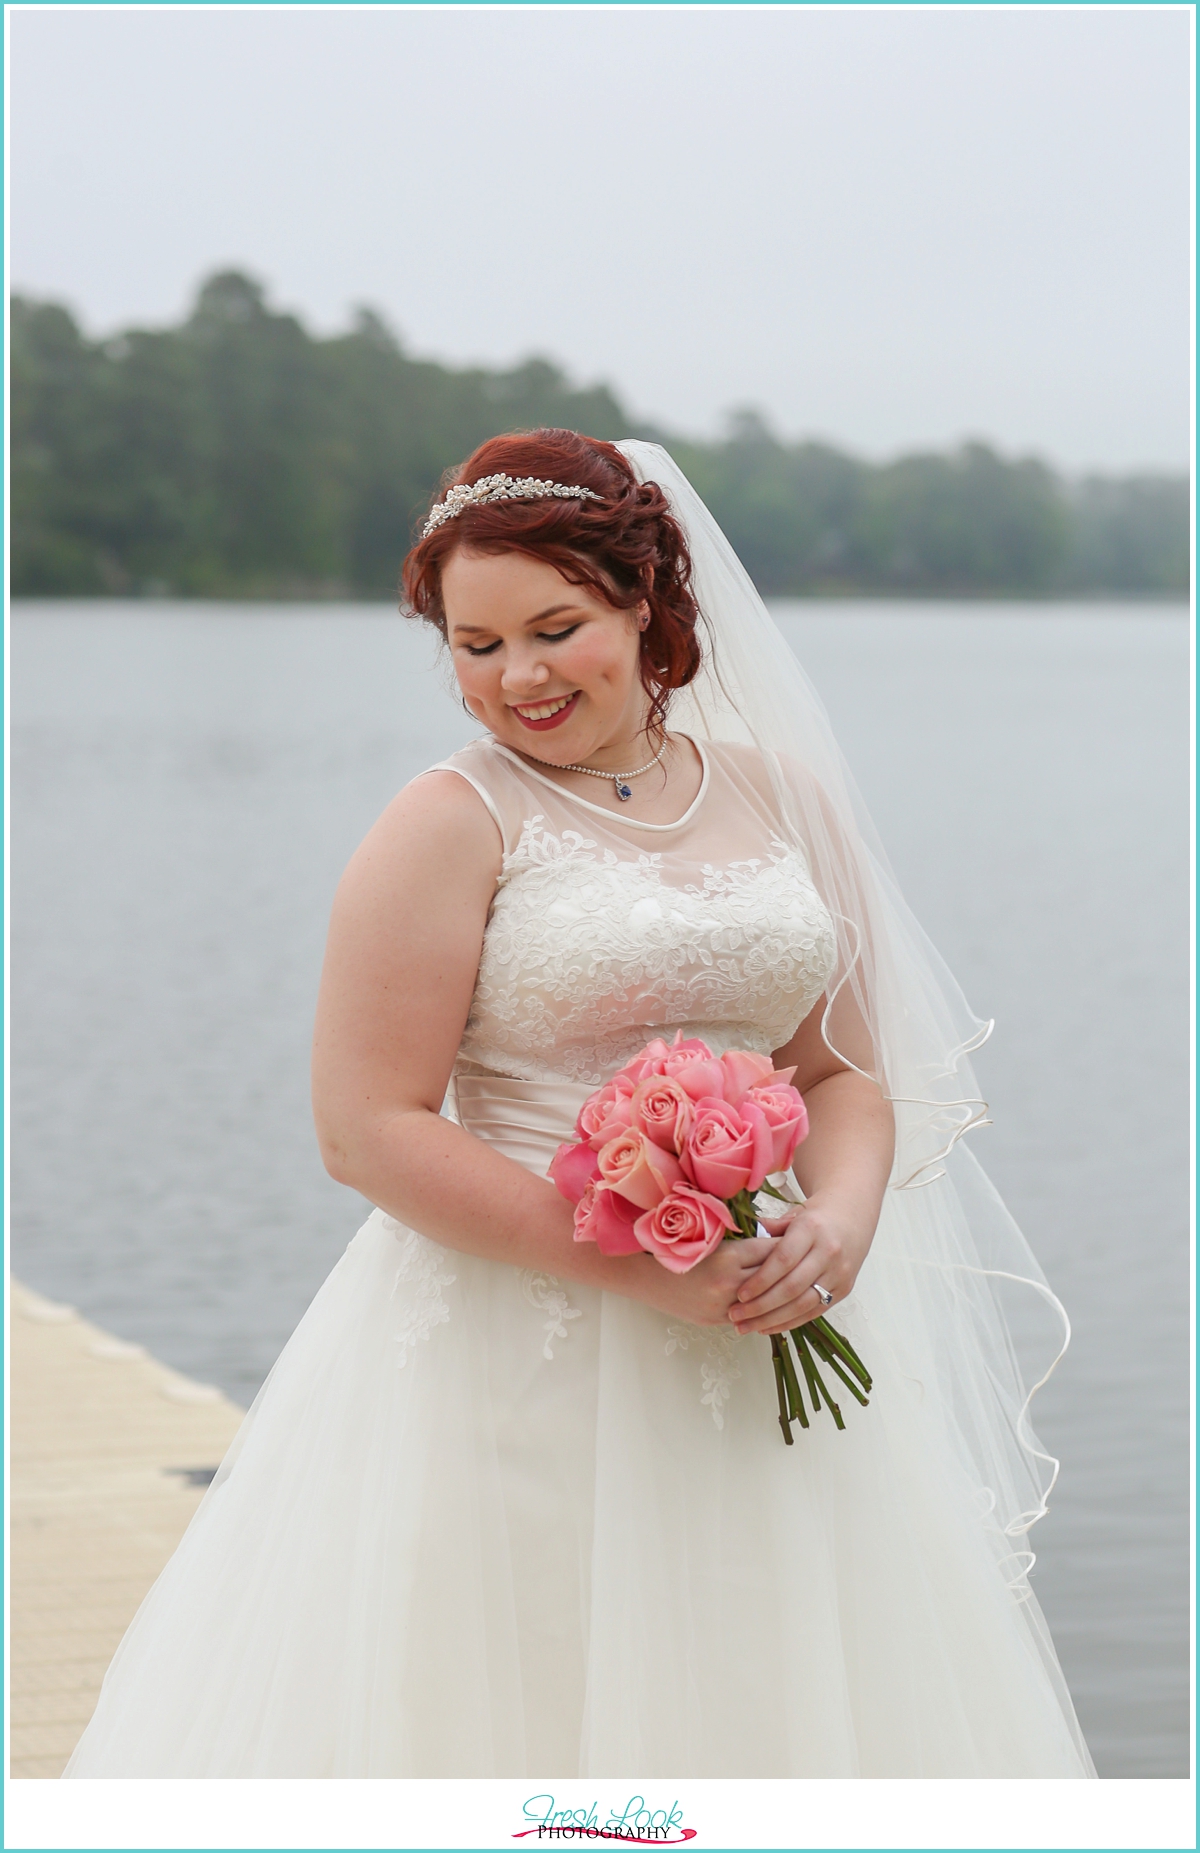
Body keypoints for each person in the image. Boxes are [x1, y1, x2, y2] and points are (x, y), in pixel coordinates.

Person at [64, 432, 1095, 1778]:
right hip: (515, 1343)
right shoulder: (449, 822)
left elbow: (841, 1073)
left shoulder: (784, 798)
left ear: (646, 608)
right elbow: (365, 1124)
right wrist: (637, 1266)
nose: (519, 677)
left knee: (774, 1688)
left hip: (758, 1318)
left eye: (556, 627)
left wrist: (836, 1225)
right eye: (475, 644)